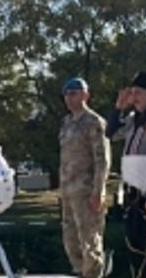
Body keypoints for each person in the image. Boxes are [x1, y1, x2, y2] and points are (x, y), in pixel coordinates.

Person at [110, 71, 146, 278]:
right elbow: (112, 133)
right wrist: (118, 107)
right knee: (134, 248)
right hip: (131, 190)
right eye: (132, 93)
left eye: (138, 92)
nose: (135, 97)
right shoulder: (133, 118)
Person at [59, 77, 111, 278]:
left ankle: (94, 274)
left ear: (85, 95)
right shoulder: (66, 122)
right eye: (66, 94)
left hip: (87, 191)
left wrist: (98, 192)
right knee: (71, 239)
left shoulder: (94, 122)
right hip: (68, 191)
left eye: (73, 93)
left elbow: (102, 160)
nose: (68, 98)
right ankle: (79, 272)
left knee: (90, 241)